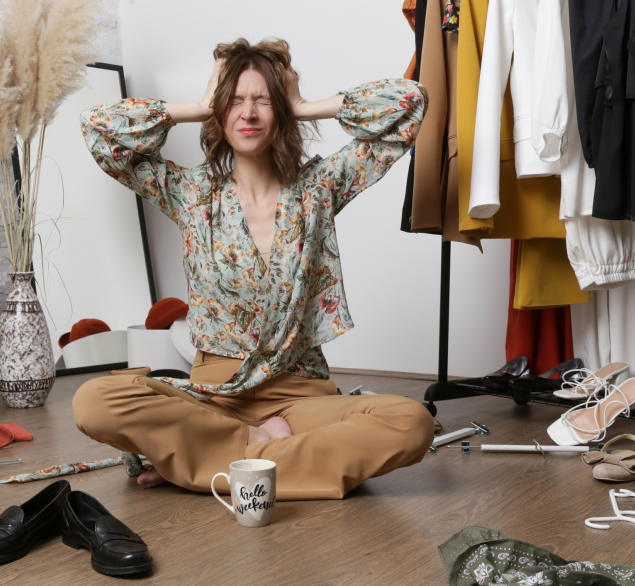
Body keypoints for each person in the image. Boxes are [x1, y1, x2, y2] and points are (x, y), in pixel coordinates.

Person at [73, 37, 434, 501]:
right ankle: (258, 450)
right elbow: (98, 128)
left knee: (411, 423)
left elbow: (410, 103)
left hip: (299, 394)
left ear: (278, 112)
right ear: (219, 112)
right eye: (234, 101)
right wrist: (200, 104)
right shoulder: (190, 192)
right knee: (93, 402)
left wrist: (300, 104)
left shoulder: (318, 188)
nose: (248, 113)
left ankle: (204, 462)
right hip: (215, 397)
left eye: (263, 100)